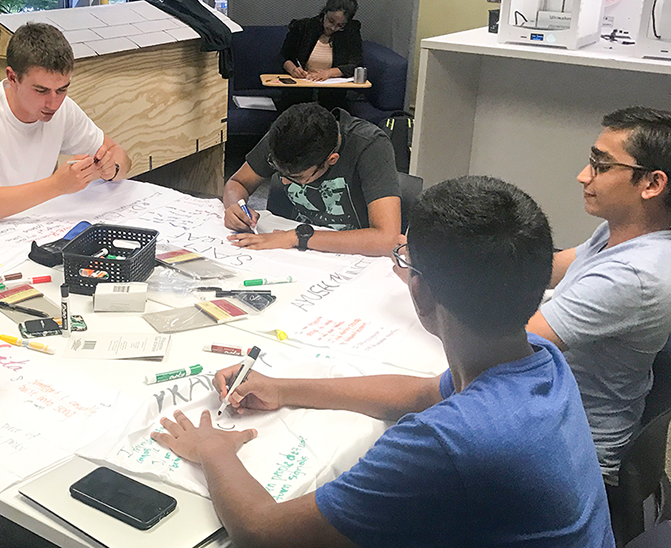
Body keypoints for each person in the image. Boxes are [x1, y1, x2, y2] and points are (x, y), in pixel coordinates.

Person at [155, 176, 615, 547]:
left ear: (420, 289)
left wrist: (213, 450)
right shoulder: (541, 361)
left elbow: (262, 532)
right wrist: (282, 387)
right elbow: (419, 394)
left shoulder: (449, 443)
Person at [526, 107, 671, 484]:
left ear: (652, 184)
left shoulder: (635, 275)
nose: (583, 176)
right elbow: (553, 267)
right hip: (552, 414)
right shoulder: (622, 232)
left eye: (600, 166)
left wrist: (439, 283)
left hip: (572, 457)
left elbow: (505, 342)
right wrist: (463, 258)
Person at [0, 22, 131, 225]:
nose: (53, 103)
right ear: (12, 78)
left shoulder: (63, 110)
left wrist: (110, 168)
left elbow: (120, 155)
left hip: (28, 231)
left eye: (62, 90)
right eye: (41, 91)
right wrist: (56, 186)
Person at [223, 102, 401, 256]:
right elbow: (237, 183)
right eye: (280, 173)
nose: (284, 182)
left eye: (297, 178)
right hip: (297, 251)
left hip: (354, 257)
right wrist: (235, 206)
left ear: (332, 160)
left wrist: (298, 237)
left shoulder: (369, 146)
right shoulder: (285, 137)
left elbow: (387, 238)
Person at [278, 0, 363, 111]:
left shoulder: (350, 32)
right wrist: (293, 69)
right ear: (325, 12)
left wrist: (328, 73)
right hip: (300, 90)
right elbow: (284, 56)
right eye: (331, 21)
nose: (333, 28)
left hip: (332, 94)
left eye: (340, 25)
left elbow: (356, 64)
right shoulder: (303, 27)